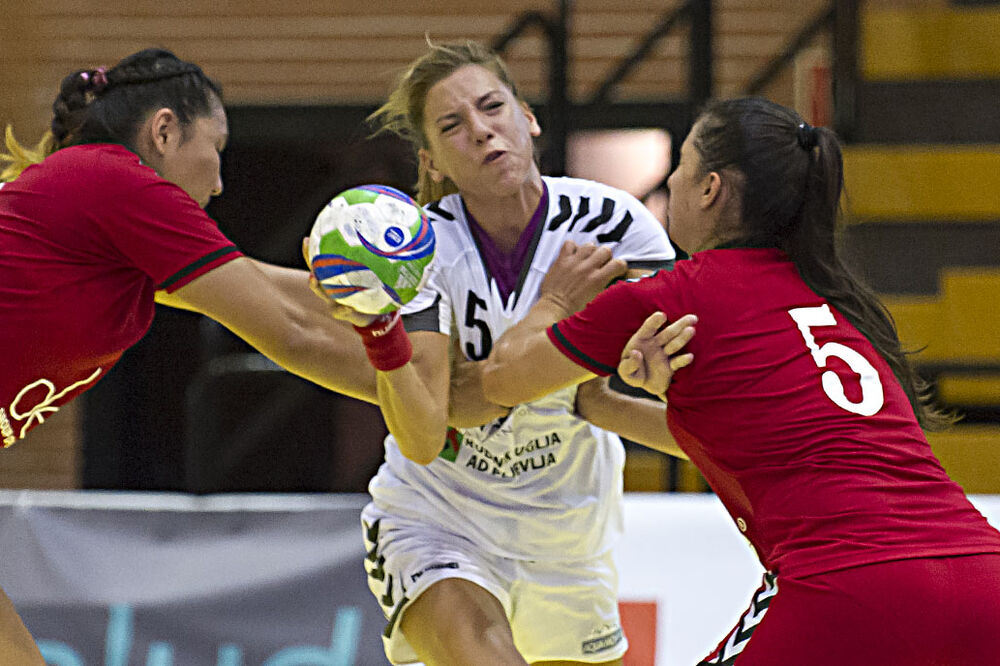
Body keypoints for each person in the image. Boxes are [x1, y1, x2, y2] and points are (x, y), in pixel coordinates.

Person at [479, 96, 1000, 665]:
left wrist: (550, 300)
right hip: (983, 577)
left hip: (850, 583)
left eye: (680, 163)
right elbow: (777, 445)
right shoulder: (834, 302)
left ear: (710, 188)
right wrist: (606, 405)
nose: (671, 181)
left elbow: (502, 381)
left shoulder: (672, 297)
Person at [0, 47, 388, 662]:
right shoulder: (115, 182)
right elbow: (290, 335)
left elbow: (273, 289)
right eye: (217, 149)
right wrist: (441, 402)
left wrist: (404, 315)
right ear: (163, 130)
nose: (219, 181)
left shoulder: (102, 223)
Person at [326, 40, 680, 666]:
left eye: (493, 107)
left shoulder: (618, 229)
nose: (482, 131)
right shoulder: (420, 247)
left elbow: (661, 389)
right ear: (431, 161)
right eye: (452, 126)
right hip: (440, 518)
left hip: (567, 533)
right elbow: (423, 437)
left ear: (529, 117)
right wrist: (381, 332)